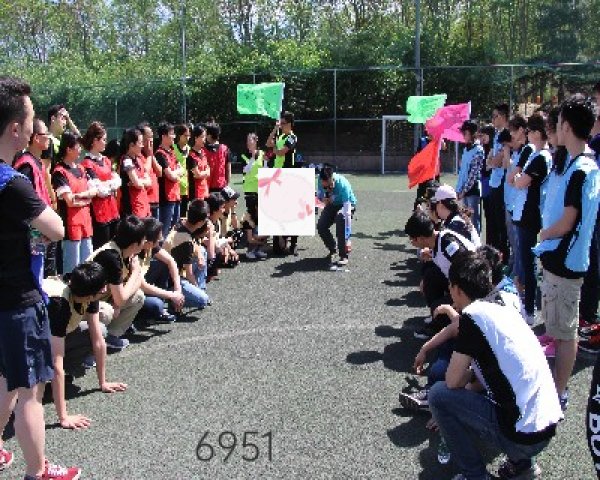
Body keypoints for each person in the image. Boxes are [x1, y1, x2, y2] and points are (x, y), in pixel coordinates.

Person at [0, 76, 80, 480]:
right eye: (33, 119)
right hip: (17, 300)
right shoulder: (12, 183)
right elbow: (56, 228)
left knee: (5, 381)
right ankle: (38, 471)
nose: (38, 128)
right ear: (16, 129)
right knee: (31, 391)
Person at [428, 253, 562, 480]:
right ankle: (522, 465)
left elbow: (452, 381)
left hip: (523, 438)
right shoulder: (502, 308)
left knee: (439, 395)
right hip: (546, 428)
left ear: (457, 288)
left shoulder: (472, 316)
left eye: (450, 286)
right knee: (505, 392)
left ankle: (476, 476)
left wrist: (466, 378)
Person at [533, 95, 600, 410]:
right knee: (558, 329)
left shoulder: (581, 169)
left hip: (564, 262)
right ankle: (556, 387)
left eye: (558, 123)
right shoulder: (573, 164)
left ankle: (558, 392)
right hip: (557, 260)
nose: (555, 129)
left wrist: (544, 234)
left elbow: (568, 221)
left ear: (568, 127)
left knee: (566, 332)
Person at [44, 262, 127, 431]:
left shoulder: (86, 292)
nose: (105, 290)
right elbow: (56, 362)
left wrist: (103, 382)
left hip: (47, 336)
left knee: (100, 330)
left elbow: (97, 339)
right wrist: (64, 417)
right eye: (102, 287)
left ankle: (49, 380)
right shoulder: (60, 304)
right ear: (90, 293)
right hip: (21, 340)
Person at [404, 211, 476, 340]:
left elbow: (469, 270)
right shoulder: (438, 241)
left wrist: (458, 299)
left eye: (412, 239)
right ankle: (438, 319)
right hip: (462, 284)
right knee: (430, 277)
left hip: (474, 289)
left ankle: (446, 326)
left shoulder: (448, 243)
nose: (412, 242)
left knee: (438, 308)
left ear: (420, 238)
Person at [509, 113, 552, 326]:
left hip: (530, 215)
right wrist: (519, 179)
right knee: (524, 262)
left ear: (537, 133)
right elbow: (516, 180)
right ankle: (526, 305)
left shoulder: (542, 157)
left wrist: (519, 179)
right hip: (524, 213)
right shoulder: (535, 154)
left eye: (532, 131)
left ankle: (529, 309)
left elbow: (519, 182)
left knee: (528, 264)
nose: (529, 134)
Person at [87, 215, 146, 351]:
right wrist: (136, 272)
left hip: (102, 298)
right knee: (107, 312)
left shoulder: (125, 251)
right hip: (84, 304)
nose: (145, 242)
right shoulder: (111, 257)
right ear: (134, 244)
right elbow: (121, 298)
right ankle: (86, 344)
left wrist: (118, 300)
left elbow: (138, 283)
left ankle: (111, 336)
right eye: (143, 239)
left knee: (138, 297)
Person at [14, 118, 56, 279]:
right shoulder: (26, 165)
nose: (49, 138)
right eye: (46, 134)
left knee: (46, 272)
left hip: (42, 231)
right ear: (37, 138)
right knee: (37, 274)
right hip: (33, 234)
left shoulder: (38, 163)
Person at [51, 132, 97, 275]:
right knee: (72, 271)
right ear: (69, 149)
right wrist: (87, 198)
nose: (80, 150)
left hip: (86, 224)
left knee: (88, 267)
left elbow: (94, 191)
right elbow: (70, 202)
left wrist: (81, 196)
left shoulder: (81, 169)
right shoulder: (59, 172)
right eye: (78, 146)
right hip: (71, 226)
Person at [160, 199, 211, 309]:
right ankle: (172, 299)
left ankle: (200, 289)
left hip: (174, 269)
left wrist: (199, 255)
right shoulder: (185, 241)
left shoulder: (182, 222)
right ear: (199, 223)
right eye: (206, 219)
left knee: (202, 251)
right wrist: (196, 288)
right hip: (171, 279)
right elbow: (189, 274)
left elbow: (194, 243)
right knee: (203, 300)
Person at [137, 217, 185, 324]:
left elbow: (171, 261)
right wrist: (171, 295)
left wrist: (178, 289)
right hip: (133, 292)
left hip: (141, 285)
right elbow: (142, 286)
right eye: (158, 239)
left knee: (163, 264)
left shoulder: (150, 245)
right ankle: (137, 316)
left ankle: (159, 305)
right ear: (148, 242)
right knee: (156, 305)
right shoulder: (134, 253)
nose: (162, 239)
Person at [81, 122, 121, 249]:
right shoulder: (87, 163)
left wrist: (107, 185)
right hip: (100, 214)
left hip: (113, 211)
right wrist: (111, 185)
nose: (105, 142)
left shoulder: (106, 160)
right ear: (94, 141)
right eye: (103, 139)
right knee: (102, 250)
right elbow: (99, 191)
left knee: (115, 248)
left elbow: (118, 181)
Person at [267, 111, 299, 254]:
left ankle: (293, 243)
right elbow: (268, 143)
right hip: (276, 177)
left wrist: (274, 148)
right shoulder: (280, 135)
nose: (282, 125)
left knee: (291, 211)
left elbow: (280, 152)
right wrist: (275, 129)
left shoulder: (292, 137)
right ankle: (279, 240)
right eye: (280, 123)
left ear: (290, 124)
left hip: (287, 176)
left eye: (283, 123)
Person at [316, 166, 357, 267]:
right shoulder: (320, 180)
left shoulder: (343, 184)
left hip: (346, 205)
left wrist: (348, 237)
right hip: (331, 205)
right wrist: (323, 199)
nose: (327, 188)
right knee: (321, 225)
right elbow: (320, 196)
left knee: (341, 218)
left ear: (332, 179)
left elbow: (347, 212)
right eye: (324, 186)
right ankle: (332, 248)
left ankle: (343, 255)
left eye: (329, 186)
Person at [486, 104, 511, 264]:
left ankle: (504, 259)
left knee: (502, 225)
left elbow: (495, 161)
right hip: (494, 182)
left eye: (495, 116)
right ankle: (494, 256)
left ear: (502, 116)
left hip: (503, 184)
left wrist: (492, 161)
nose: (493, 119)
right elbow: (489, 160)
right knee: (493, 223)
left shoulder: (507, 135)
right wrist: (492, 161)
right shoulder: (497, 134)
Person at [456, 120, 484, 234]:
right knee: (465, 220)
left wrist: (464, 191)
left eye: (465, 133)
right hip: (464, 191)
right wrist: (459, 189)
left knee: (473, 220)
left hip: (472, 190)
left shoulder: (478, 150)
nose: (463, 136)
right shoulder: (465, 149)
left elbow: (473, 174)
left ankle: (476, 242)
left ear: (473, 134)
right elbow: (462, 172)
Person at [155, 122, 183, 238]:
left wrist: (175, 174)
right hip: (166, 198)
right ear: (164, 136)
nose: (174, 136)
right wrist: (176, 174)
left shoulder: (172, 152)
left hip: (176, 196)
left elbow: (181, 169)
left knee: (175, 229)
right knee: (164, 231)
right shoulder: (159, 154)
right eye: (172, 134)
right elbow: (170, 175)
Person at [119, 127, 151, 219]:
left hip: (143, 204)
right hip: (132, 207)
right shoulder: (126, 160)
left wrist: (140, 181)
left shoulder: (139, 159)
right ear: (132, 145)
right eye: (140, 143)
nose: (142, 146)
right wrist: (140, 181)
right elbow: (138, 184)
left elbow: (149, 182)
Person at [138, 122, 161, 219]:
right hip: (146, 201)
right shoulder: (138, 156)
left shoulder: (150, 155)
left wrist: (150, 155)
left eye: (152, 137)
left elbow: (159, 172)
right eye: (149, 137)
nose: (151, 140)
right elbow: (144, 172)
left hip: (155, 200)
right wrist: (149, 155)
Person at [478, 124, 496, 244]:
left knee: (492, 217)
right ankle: (489, 243)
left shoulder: (494, 148)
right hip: (484, 185)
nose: (481, 138)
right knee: (488, 216)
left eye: (483, 135)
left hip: (492, 185)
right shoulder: (482, 149)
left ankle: (493, 243)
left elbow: (489, 167)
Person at [203, 122, 231, 193]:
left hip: (206, 188)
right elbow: (228, 169)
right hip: (221, 187)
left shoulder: (202, 150)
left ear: (209, 135)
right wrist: (227, 184)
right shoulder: (225, 149)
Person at [241, 132, 264, 212]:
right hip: (249, 188)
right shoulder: (244, 155)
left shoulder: (262, 154)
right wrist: (253, 158)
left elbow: (265, 168)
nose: (248, 143)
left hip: (261, 188)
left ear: (255, 141)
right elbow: (245, 170)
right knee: (251, 212)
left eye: (250, 140)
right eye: (247, 140)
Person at [187, 124, 210, 203]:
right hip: (196, 194)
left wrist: (203, 173)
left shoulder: (203, 152)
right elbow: (197, 175)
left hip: (205, 192)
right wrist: (205, 173)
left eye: (205, 136)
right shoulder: (191, 156)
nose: (205, 139)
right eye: (202, 136)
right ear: (196, 138)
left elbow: (208, 171)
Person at [173, 124, 190, 216]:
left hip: (187, 187)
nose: (188, 138)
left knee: (184, 214)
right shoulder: (173, 149)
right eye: (185, 135)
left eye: (189, 135)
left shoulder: (190, 149)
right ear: (179, 136)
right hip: (176, 186)